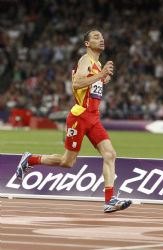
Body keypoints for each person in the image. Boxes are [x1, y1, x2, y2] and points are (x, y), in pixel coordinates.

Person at [16, 29, 132, 213]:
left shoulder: (97, 63)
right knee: (67, 162)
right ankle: (30, 159)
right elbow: (77, 84)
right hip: (80, 116)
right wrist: (101, 76)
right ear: (87, 43)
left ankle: (110, 200)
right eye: (96, 37)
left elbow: (91, 85)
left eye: (102, 37)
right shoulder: (85, 60)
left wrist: (103, 78)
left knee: (110, 154)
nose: (101, 39)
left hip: (94, 118)